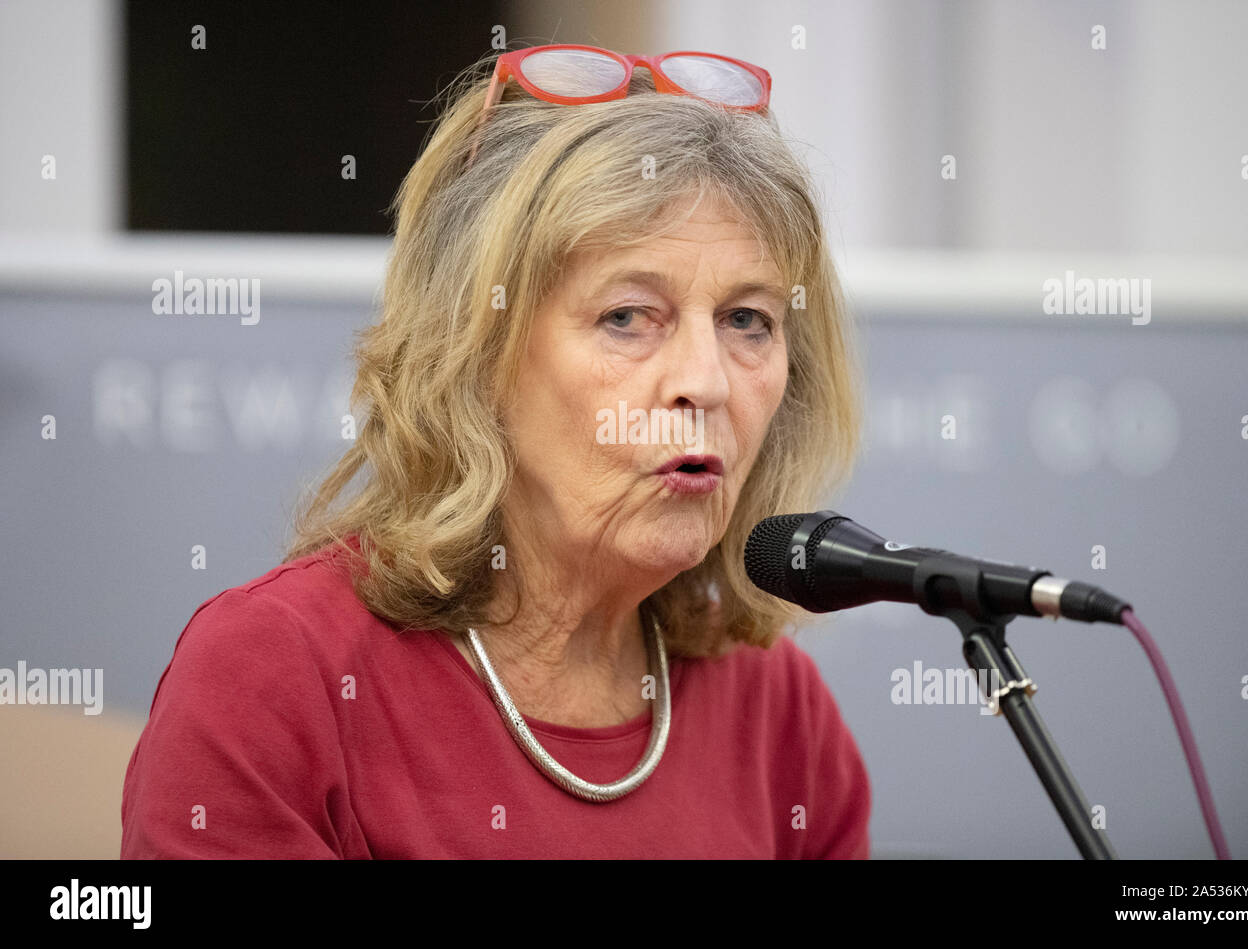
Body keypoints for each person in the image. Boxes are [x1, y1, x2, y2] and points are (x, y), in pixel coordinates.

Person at [121, 43, 869, 858]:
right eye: (627, 316)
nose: (706, 382)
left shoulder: (781, 713)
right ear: (477, 357)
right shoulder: (275, 676)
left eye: (747, 320)